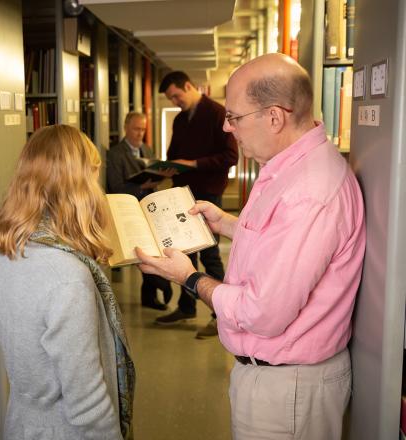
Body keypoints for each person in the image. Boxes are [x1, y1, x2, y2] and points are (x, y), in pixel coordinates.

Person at [136, 53, 365, 439]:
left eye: (235, 117)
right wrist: (224, 222)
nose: (227, 127)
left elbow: (262, 313)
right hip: (279, 381)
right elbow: (279, 243)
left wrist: (189, 278)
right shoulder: (288, 167)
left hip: (287, 391)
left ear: (274, 117)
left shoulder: (308, 191)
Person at [0, 125, 135, 440]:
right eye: (93, 175)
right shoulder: (67, 276)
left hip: (21, 421)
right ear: (79, 186)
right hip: (64, 429)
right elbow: (85, 399)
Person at [157, 70, 238, 338]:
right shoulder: (181, 120)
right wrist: (163, 170)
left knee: (210, 253)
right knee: (184, 252)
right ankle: (187, 306)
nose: (174, 102)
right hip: (182, 192)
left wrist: (192, 164)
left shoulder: (217, 113)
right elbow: (173, 155)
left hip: (208, 194)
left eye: (176, 95)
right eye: (170, 98)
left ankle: (221, 315)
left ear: (189, 86)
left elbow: (230, 156)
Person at [107, 111, 173, 311]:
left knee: (154, 247)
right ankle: (158, 286)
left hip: (148, 206)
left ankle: (149, 295)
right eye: (136, 129)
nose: (140, 133)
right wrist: (142, 186)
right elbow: (115, 186)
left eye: (143, 129)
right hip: (129, 210)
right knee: (144, 251)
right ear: (126, 128)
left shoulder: (147, 149)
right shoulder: (115, 154)